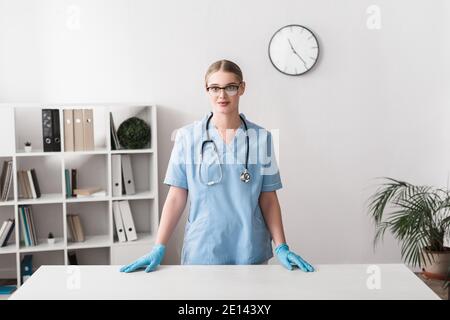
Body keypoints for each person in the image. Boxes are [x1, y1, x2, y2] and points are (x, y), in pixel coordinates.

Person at [120, 59, 314, 273]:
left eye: (230, 87)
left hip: (248, 249)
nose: (222, 95)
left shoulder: (261, 138)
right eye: (215, 88)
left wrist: (282, 246)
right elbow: (176, 197)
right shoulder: (187, 137)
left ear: (242, 88)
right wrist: (159, 246)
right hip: (203, 250)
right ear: (207, 90)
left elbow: (268, 199)